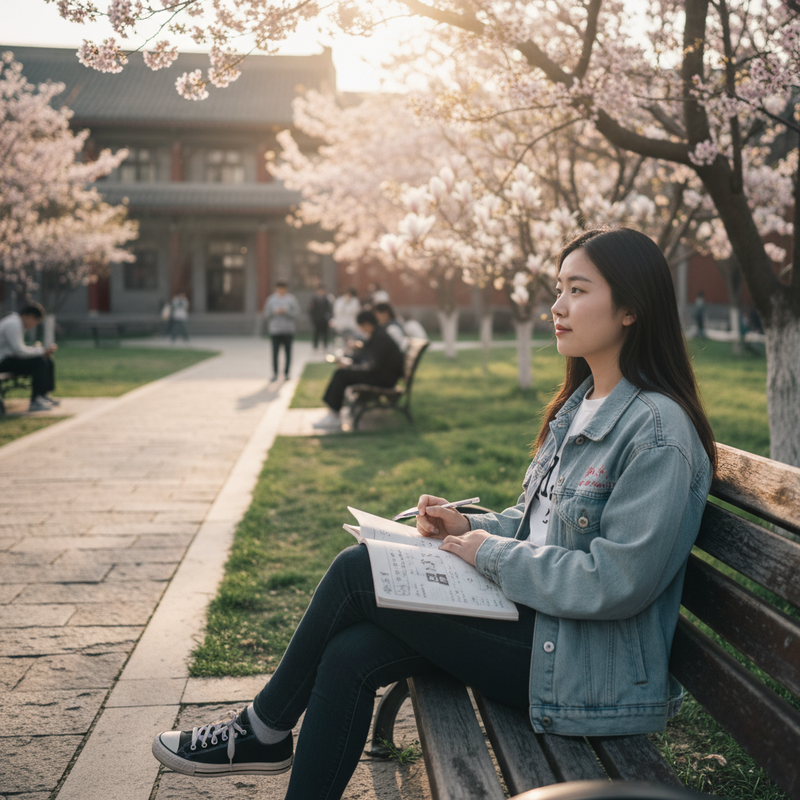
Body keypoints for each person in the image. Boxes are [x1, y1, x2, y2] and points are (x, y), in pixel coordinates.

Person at [152, 227, 716, 800]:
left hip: (582, 667)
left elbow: (615, 581)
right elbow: (534, 525)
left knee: (356, 571)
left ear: (629, 309)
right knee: (350, 654)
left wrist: (489, 554)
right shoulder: (580, 404)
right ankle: (268, 739)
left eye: (577, 290)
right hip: (539, 628)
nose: (557, 306)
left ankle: (261, 730)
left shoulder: (657, 432)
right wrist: (470, 526)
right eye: (558, 289)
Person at [312, 309, 405, 430]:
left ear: (366, 324)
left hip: (383, 379)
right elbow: (368, 357)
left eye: (361, 326)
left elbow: (373, 365)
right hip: (381, 375)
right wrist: (350, 362)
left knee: (342, 374)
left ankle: (334, 415)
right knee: (342, 373)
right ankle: (333, 412)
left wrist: (352, 367)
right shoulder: (377, 335)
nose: (361, 330)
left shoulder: (380, 337)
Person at [0, 303, 59, 412]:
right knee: (39, 362)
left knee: (46, 360)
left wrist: (40, 351)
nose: (35, 325)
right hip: (2, 361)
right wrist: (41, 351)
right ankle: (35, 401)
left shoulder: (17, 323)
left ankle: (43, 394)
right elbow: (19, 351)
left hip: (7, 359)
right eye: (37, 321)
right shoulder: (13, 324)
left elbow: (18, 350)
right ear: (30, 316)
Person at [263, 280, 300, 381]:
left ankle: (287, 373)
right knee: (275, 354)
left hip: (288, 330)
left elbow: (296, 313)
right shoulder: (271, 299)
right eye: (279, 289)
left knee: (288, 353)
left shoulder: (291, 299)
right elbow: (266, 314)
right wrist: (274, 312)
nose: (281, 291)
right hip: (275, 330)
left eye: (283, 289)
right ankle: (275, 374)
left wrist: (286, 311)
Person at [307, 285, 333, 351]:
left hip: (324, 319)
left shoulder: (326, 300)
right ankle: (315, 345)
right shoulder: (314, 300)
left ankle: (325, 344)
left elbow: (329, 310)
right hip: (317, 320)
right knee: (316, 333)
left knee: (325, 333)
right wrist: (313, 318)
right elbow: (311, 310)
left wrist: (329, 318)